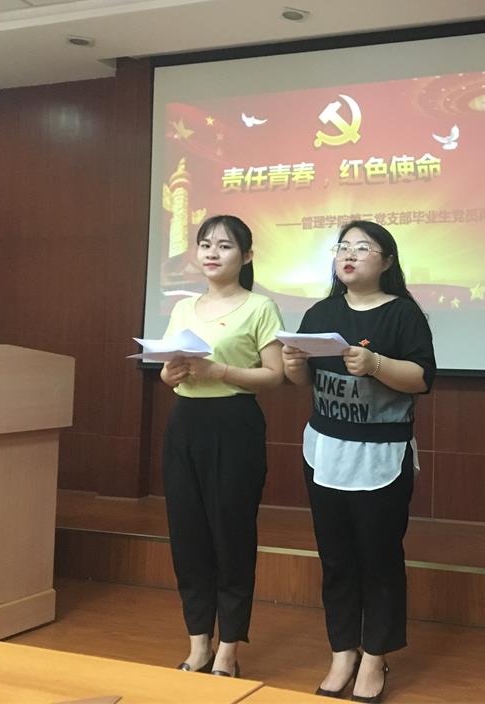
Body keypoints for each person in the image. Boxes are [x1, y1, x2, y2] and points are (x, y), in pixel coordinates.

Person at [282, 220, 435, 703]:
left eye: (363, 248)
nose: (349, 255)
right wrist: (292, 366)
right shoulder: (320, 312)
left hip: (380, 454)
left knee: (379, 558)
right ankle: (342, 651)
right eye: (343, 247)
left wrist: (376, 365)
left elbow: (422, 378)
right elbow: (305, 381)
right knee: (336, 558)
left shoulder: (403, 314)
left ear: (386, 261)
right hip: (325, 451)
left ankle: (375, 655)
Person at [159, 214, 284, 678]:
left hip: (234, 425)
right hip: (185, 423)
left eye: (225, 245)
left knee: (231, 537)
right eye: (205, 244)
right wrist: (168, 373)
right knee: (187, 535)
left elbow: (275, 375)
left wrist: (221, 372)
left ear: (246, 256)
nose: (212, 253)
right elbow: (169, 368)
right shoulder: (183, 308)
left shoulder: (260, 307)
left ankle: (229, 648)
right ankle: (198, 644)